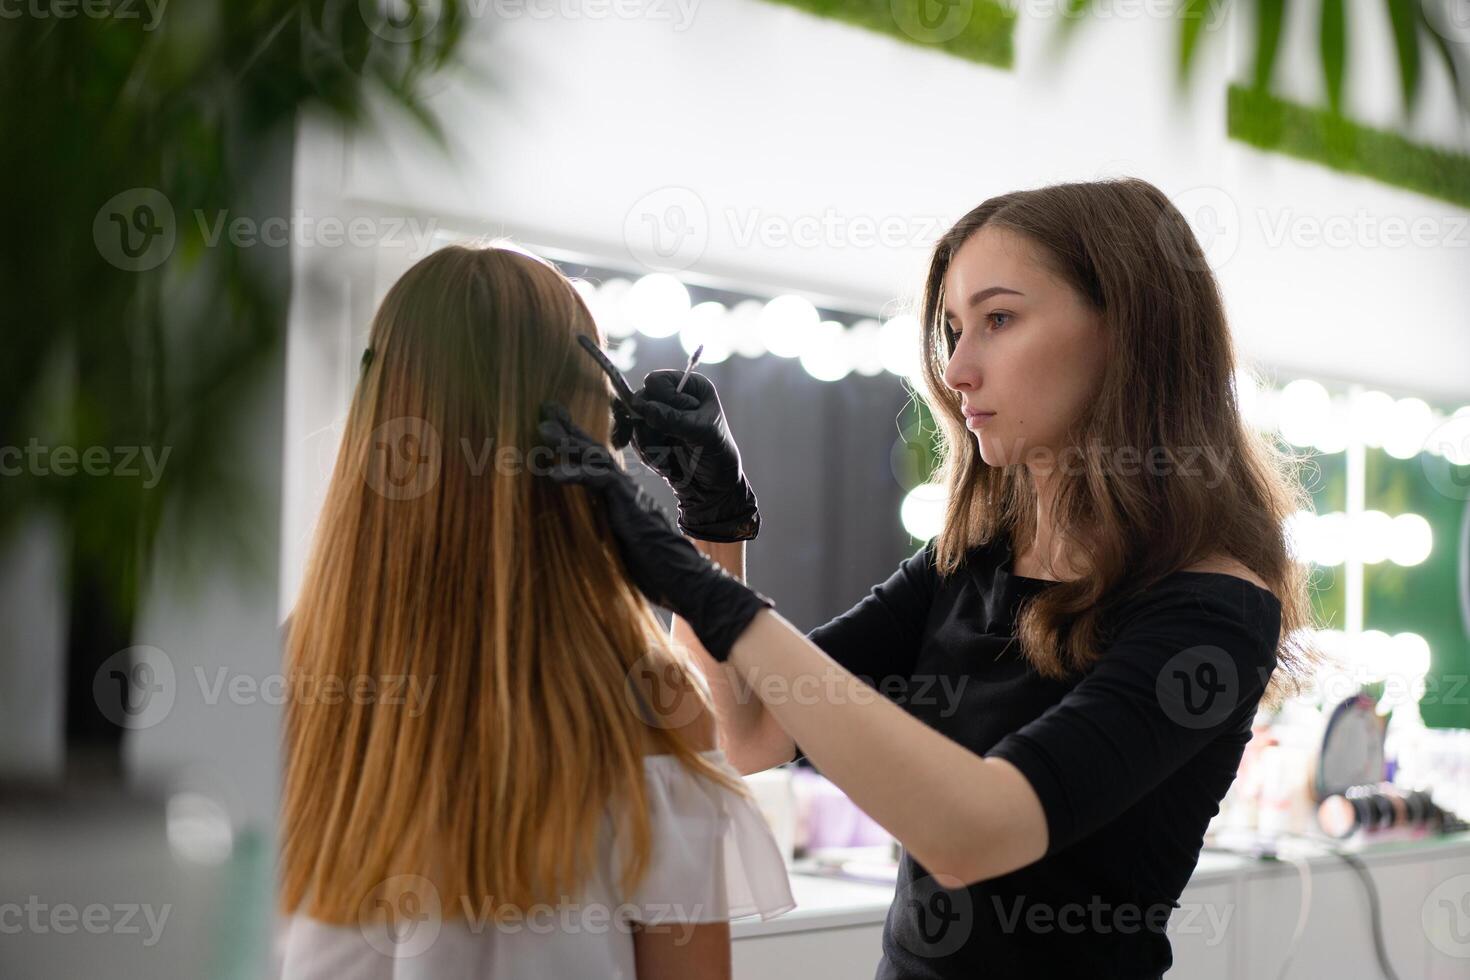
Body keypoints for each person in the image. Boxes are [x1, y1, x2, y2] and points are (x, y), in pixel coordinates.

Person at [544, 177, 1323, 979]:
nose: (957, 370)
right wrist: (713, 521)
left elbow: (973, 834)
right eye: (953, 329)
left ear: (1127, 331)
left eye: (999, 319)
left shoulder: (1214, 611)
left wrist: (713, 600)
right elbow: (741, 734)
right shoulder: (971, 563)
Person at [275, 242, 795, 980]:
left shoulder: (285, 672)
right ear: (584, 423)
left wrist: (713, 529)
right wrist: (711, 529)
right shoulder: (646, 705)